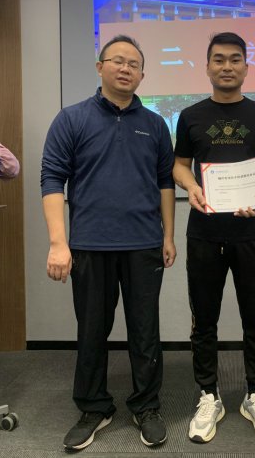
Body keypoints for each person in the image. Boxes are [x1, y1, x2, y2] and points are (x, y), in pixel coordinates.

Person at [41, 35, 176, 451]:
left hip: (144, 244)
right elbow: (52, 179)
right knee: (92, 330)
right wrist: (58, 243)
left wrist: (168, 235)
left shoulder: (155, 124)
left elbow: (165, 182)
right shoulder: (71, 119)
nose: (125, 68)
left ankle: (146, 406)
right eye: (117, 61)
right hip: (89, 244)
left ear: (142, 75)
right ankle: (94, 408)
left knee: (145, 331)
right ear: (100, 67)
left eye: (134, 64)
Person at [173, 32, 255, 443]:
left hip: (252, 232)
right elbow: (179, 165)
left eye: (235, 59)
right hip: (204, 233)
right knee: (204, 319)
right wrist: (191, 186)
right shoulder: (190, 115)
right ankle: (209, 394)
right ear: (207, 67)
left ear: (246, 67)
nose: (226, 66)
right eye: (218, 59)